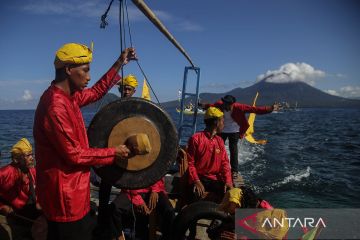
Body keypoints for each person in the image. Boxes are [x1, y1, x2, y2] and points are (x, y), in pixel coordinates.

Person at [33, 43, 136, 240]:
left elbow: (97, 92)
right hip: (64, 197)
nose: (89, 76)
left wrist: (119, 62)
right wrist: (114, 152)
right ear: (69, 69)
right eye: (86, 70)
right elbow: (74, 154)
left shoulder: (70, 98)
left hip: (76, 192)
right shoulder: (55, 106)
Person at [94, 73, 139, 239]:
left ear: (134, 91)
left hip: (130, 152)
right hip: (112, 149)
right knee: (106, 182)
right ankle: (103, 219)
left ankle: (125, 218)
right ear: (121, 89)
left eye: (129, 89)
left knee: (128, 184)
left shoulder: (138, 107)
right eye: (124, 88)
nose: (126, 91)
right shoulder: (113, 105)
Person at [200, 95, 278, 179]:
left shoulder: (239, 107)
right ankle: (216, 167)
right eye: (225, 104)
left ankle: (234, 171)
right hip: (222, 130)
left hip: (235, 130)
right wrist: (203, 105)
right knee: (217, 149)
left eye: (229, 105)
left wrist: (270, 108)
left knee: (233, 149)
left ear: (233, 104)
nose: (226, 107)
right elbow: (211, 106)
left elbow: (255, 110)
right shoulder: (219, 104)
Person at [187, 107, 233, 202]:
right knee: (197, 194)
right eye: (222, 121)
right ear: (216, 122)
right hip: (200, 178)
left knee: (232, 195)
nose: (224, 124)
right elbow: (190, 163)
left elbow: (225, 163)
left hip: (215, 179)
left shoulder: (219, 141)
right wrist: (196, 181)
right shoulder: (196, 139)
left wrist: (228, 181)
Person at [105, 178, 175, 240]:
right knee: (114, 208)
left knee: (169, 211)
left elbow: (159, 173)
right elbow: (126, 179)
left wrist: (155, 190)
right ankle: (118, 235)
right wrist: (139, 201)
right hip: (131, 191)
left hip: (154, 191)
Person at [0, 138, 41, 239]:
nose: (32, 158)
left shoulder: (33, 172)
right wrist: (2, 207)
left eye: (32, 154)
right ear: (16, 159)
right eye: (28, 155)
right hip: (13, 214)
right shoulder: (5, 173)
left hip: (30, 212)